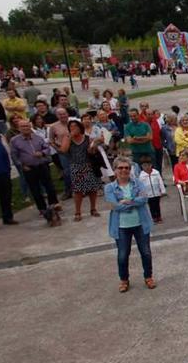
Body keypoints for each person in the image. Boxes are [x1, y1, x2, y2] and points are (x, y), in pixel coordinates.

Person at [105, 156, 155, 293]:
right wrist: (133, 202)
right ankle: (124, 280)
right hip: (121, 227)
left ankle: (148, 277)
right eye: (120, 168)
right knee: (122, 254)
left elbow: (144, 199)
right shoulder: (109, 188)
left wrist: (126, 201)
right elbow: (114, 205)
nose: (124, 170)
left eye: (126, 168)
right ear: (115, 170)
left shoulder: (138, 183)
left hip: (140, 224)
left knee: (146, 252)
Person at [10, 119, 58, 216]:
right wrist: (22, 165)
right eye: (23, 126)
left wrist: (42, 153)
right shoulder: (14, 141)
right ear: (19, 128)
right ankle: (42, 208)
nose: (25, 128)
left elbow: (47, 148)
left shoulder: (38, 138)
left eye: (27, 126)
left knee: (49, 187)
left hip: (42, 165)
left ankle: (53, 205)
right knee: (35, 190)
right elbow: (14, 156)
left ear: (30, 127)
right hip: (29, 168)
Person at [60, 119, 105, 220]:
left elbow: (91, 152)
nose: (73, 128)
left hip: (88, 166)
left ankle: (93, 209)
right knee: (78, 190)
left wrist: (94, 146)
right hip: (75, 167)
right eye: (71, 127)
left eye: (75, 126)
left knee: (92, 189)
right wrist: (70, 136)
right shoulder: (67, 138)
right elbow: (63, 150)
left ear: (80, 127)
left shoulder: (87, 138)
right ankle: (77, 211)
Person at [0, 135, 16, 230]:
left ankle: (8, 217)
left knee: (6, 196)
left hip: (2, 173)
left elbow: (5, 155)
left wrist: (7, 169)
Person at [48, 107, 73, 199]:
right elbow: (51, 140)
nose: (63, 116)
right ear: (57, 116)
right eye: (60, 114)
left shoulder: (73, 123)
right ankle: (68, 191)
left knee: (78, 169)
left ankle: (81, 189)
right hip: (63, 151)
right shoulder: (53, 126)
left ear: (67, 114)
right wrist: (57, 149)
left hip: (75, 150)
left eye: (64, 113)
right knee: (67, 172)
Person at [137, 155, 166, 223]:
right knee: (151, 206)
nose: (146, 167)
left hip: (156, 192)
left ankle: (159, 217)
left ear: (151, 165)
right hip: (148, 194)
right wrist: (142, 194)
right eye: (144, 166)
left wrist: (163, 190)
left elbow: (160, 182)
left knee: (157, 205)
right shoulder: (141, 175)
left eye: (147, 165)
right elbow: (140, 186)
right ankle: (154, 217)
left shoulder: (156, 173)